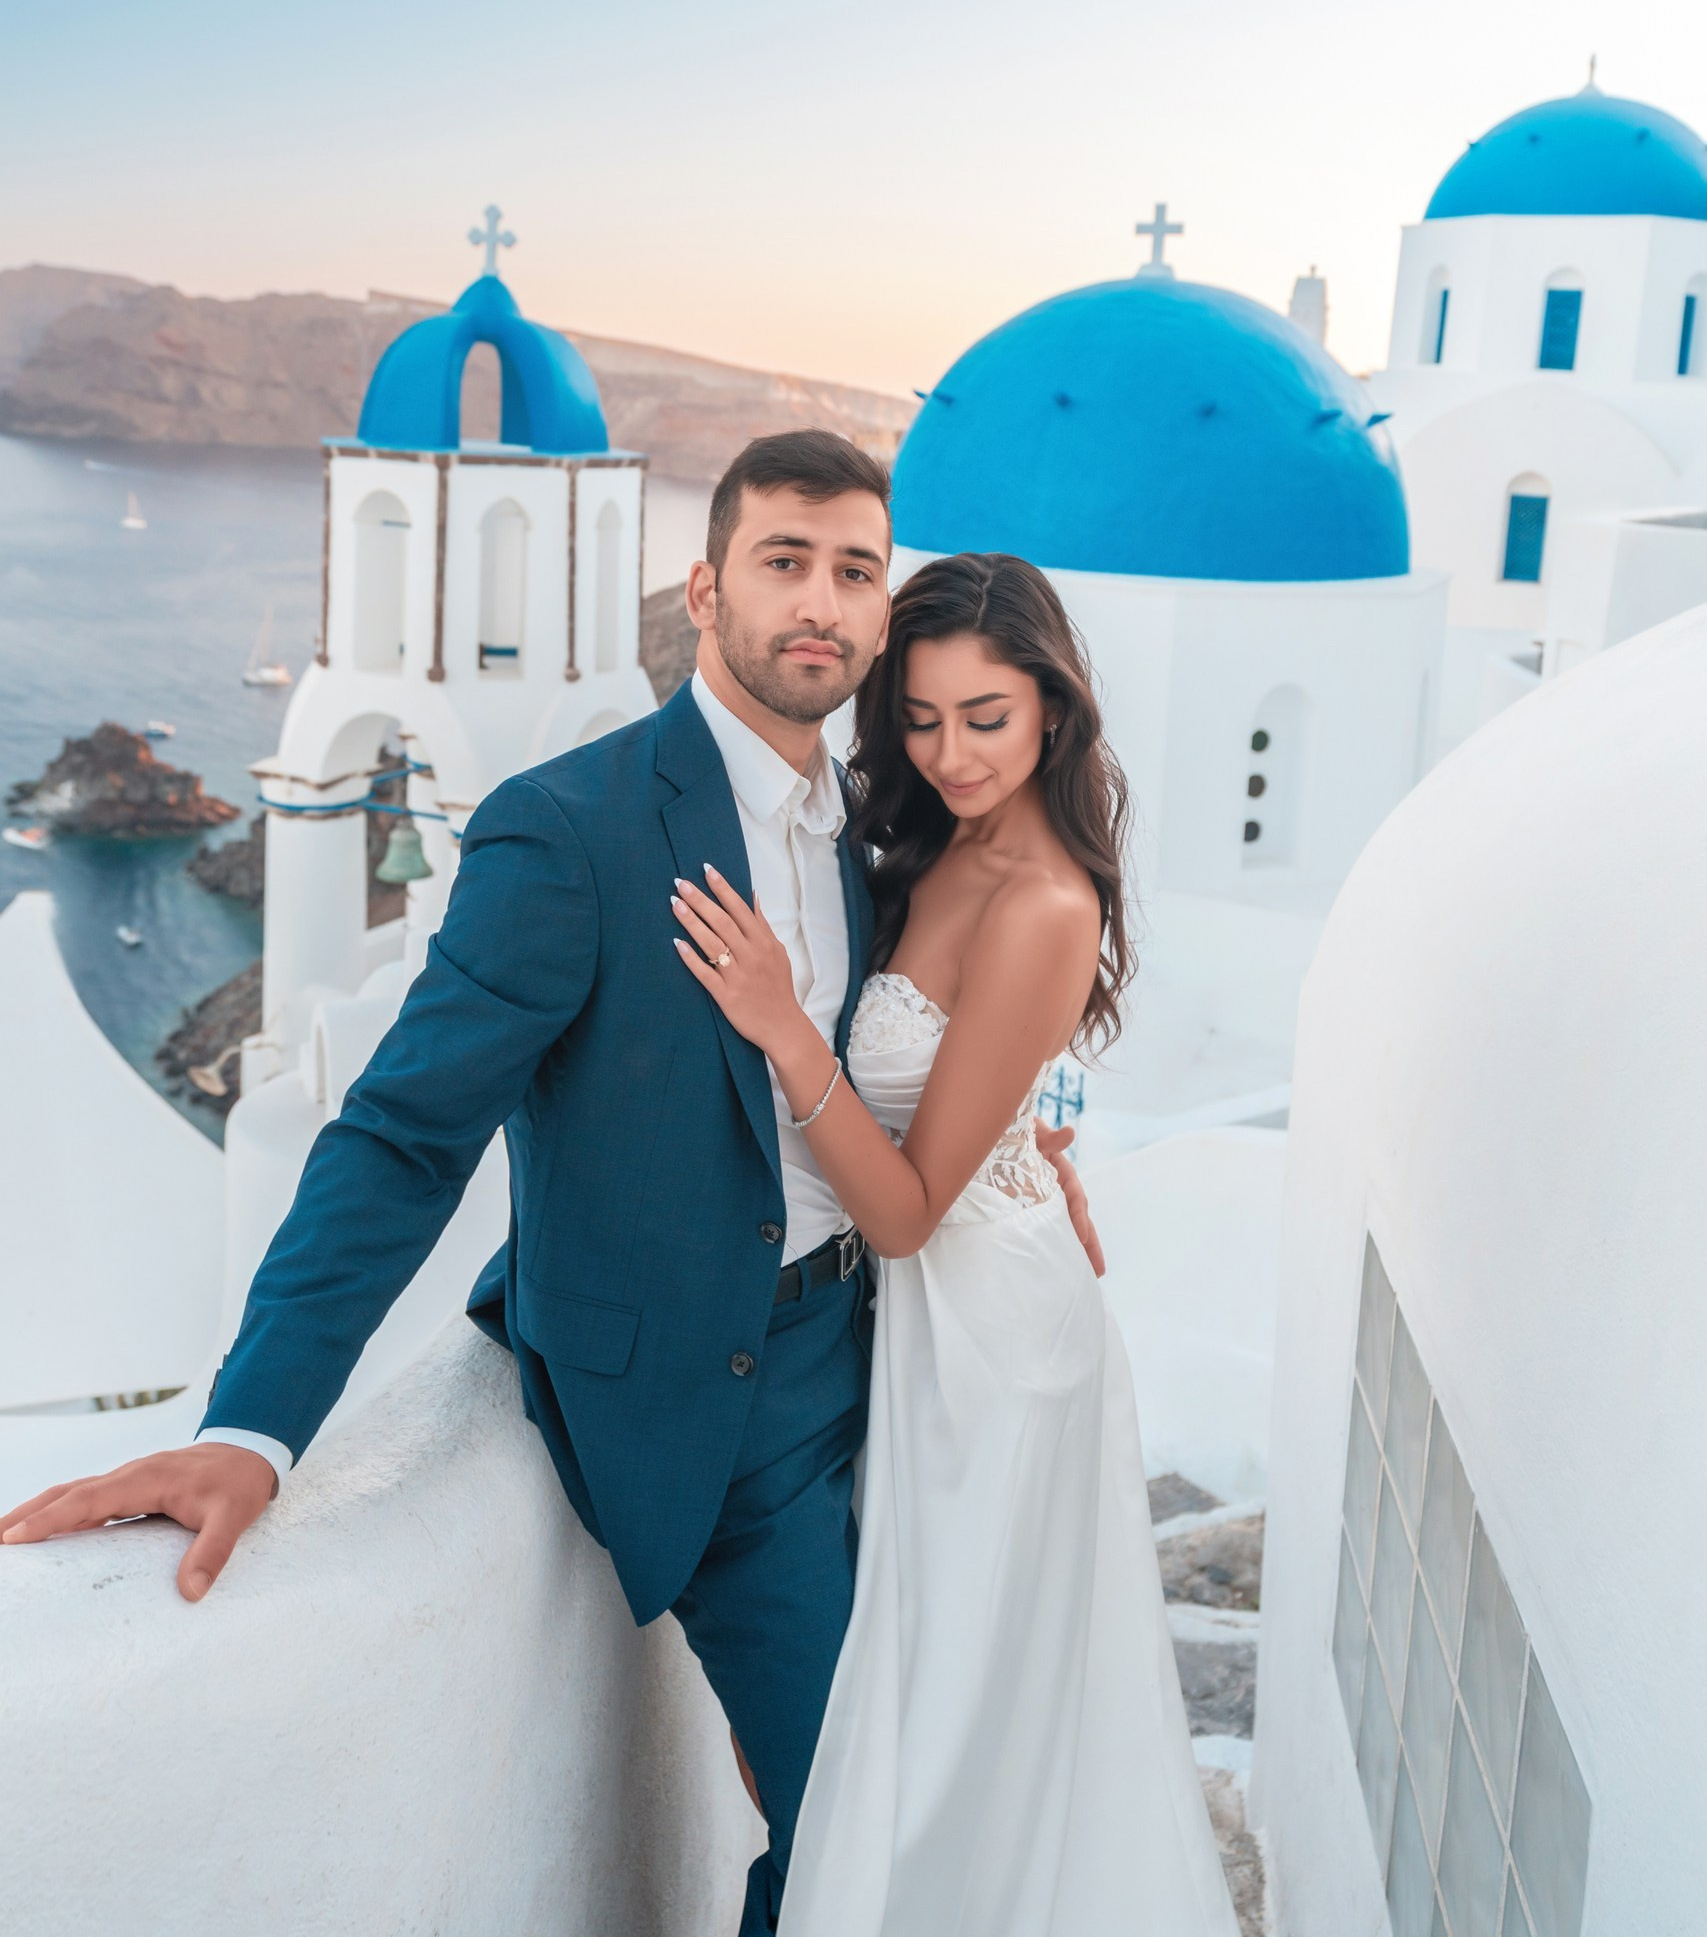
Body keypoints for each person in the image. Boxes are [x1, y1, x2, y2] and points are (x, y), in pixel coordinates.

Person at [1, 430, 1095, 1937]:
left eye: (855, 570)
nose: (821, 604)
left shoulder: (878, 823)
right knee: (857, 1810)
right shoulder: (569, 830)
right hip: (715, 1412)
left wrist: (1032, 1153)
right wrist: (249, 1432)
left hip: (894, 1362)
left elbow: (946, 1031)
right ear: (704, 589)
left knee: (935, 1767)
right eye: (785, 562)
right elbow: (400, 1137)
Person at [672, 550, 1239, 1936]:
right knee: (900, 1695)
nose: (951, 752)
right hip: (922, 1314)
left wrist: (786, 1031)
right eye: (920, 718)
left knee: (953, 1722)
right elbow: (955, 1107)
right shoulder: (920, 840)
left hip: (993, 1346)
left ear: (1053, 706)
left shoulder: (1047, 902)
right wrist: (1026, 1147)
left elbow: (912, 1209)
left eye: (987, 717)